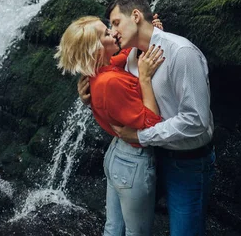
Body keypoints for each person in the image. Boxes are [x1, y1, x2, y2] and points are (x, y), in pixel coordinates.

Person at [80, 0, 215, 236]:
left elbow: (196, 121)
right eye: (110, 27)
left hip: (186, 161)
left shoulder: (182, 54)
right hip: (148, 158)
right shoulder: (131, 55)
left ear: (136, 15)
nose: (113, 31)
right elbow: (103, 75)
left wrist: (141, 137)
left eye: (116, 23)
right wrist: (87, 93)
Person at [56, 16, 165, 236]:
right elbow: (152, 126)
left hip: (118, 156)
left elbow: (126, 53)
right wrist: (144, 78)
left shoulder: (100, 70)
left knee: (113, 228)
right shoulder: (111, 82)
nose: (113, 33)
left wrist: (148, 32)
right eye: (107, 33)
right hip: (134, 160)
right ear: (96, 50)